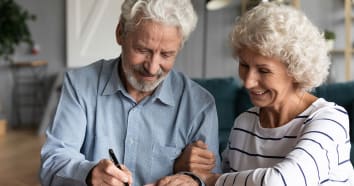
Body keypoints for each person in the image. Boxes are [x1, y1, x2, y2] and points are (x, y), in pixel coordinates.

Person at [39, 0, 222, 185]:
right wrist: (89, 174)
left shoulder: (200, 104)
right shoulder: (79, 85)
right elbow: (52, 164)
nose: (152, 68)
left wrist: (191, 177)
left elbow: (213, 179)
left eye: (166, 54)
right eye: (142, 50)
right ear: (120, 33)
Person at [173, 2, 354, 185]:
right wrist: (188, 170)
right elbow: (227, 180)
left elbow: (282, 182)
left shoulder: (329, 120)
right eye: (244, 65)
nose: (249, 82)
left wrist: (211, 180)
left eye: (264, 70)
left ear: (296, 70)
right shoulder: (244, 123)